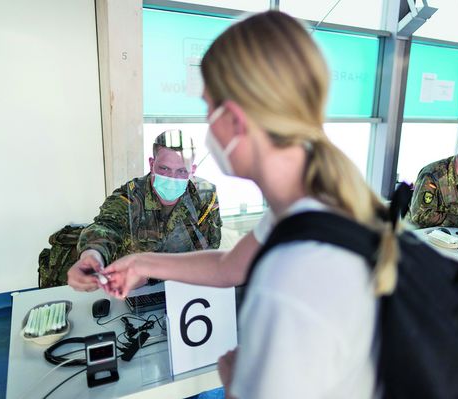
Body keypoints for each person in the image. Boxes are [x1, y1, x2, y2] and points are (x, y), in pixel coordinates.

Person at [102, 11, 397, 399]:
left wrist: (237, 382)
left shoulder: (292, 268)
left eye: (210, 108)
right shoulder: (314, 203)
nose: (207, 127)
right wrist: (143, 263)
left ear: (237, 119)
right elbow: (228, 266)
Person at [67, 130, 223, 292]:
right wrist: (92, 256)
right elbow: (105, 228)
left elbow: (210, 250)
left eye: (182, 171)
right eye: (164, 168)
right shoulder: (130, 197)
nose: (172, 178)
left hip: (186, 287)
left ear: (193, 170)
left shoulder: (205, 196)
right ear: (151, 164)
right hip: (135, 292)